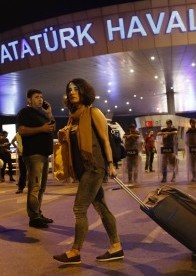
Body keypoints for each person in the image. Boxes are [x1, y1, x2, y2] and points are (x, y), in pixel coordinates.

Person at [53, 78, 123, 265]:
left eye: (76, 89)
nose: (72, 92)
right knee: (101, 207)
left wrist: (110, 164)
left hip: (94, 166)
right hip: (83, 169)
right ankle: (116, 247)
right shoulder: (73, 117)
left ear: (84, 91)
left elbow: (105, 140)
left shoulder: (93, 112)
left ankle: (75, 251)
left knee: (79, 208)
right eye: (69, 90)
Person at [16, 89, 55, 229]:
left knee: (42, 187)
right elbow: (22, 130)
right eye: (37, 97)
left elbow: (52, 128)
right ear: (28, 100)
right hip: (34, 154)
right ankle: (33, 217)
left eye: (41, 97)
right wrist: (41, 129)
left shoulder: (42, 114)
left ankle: (38, 212)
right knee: (35, 186)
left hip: (44, 154)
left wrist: (49, 113)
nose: (40, 99)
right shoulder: (24, 113)